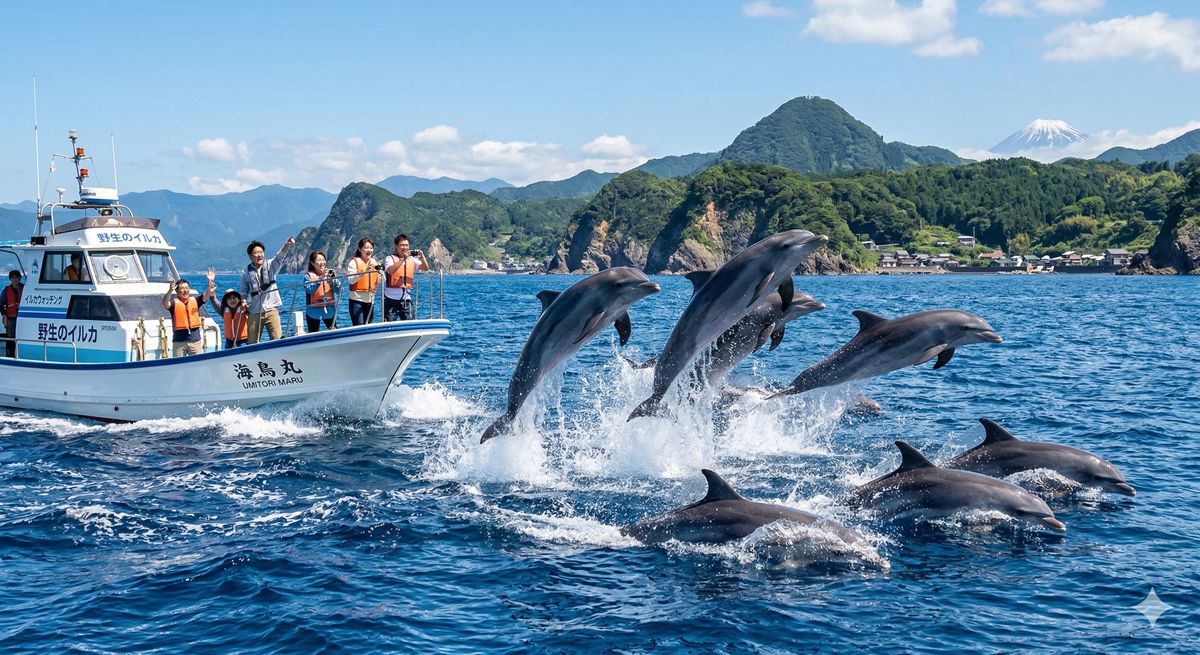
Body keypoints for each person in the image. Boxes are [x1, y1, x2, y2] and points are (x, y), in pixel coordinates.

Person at [240, 236, 294, 344]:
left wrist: (287, 245)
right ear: (250, 256)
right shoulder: (245, 272)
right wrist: (243, 301)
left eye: (261, 252)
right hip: (254, 311)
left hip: (271, 309)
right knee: (252, 343)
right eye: (256, 253)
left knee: (277, 340)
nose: (259, 255)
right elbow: (244, 291)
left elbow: (280, 256)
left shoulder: (271, 265)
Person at [162, 273, 216, 357]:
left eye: (187, 288)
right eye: (182, 288)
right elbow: (165, 304)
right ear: (176, 290)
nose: (185, 290)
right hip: (179, 342)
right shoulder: (173, 303)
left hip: (195, 341)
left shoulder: (195, 300)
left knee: (198, 364)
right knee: (179, 365)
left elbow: (206, 295)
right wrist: (169, 291)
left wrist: (210, 282)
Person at [382, 233, 429, 321]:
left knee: (411, 322)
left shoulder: (411, 259)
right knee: (389, 323)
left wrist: (422, 258)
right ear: (396, 246)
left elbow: (425, 268)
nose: (405, 247)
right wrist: (403, 259)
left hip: (406, 297)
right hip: (390, 298)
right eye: (402, 245)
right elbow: (390, 270)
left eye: (407, 245)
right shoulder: (389, 258)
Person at [304, 251, 342, 333]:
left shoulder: (330, 274)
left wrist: (335, 281)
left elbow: (339, 291)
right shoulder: (308, 277)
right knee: (313, 335)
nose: (322, 262)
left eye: (323, 260)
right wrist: (321, 278)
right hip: (313, 312)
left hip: (329, 311)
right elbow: (310, 290)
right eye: (319, 260)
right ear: (312, 263)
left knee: (334, 333)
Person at [345, 237, 380, 326]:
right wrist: (364, 272)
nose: (369, 250)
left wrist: (380, 272)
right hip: (356, 300)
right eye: (366, 247)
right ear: (360, 249)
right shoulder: (354, 262)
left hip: (370, 300)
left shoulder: (374, 262)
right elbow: (351, 280)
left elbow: (379, 280)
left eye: (371, 248)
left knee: (369, 326)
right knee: (359, 325)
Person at [2, 270, 22, 357]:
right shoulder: (6, 290)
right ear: (10, 279)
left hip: (22, 318)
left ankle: (20, 355)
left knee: (21, 337)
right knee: (10, 338)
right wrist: (4, 315)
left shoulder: (25, 289)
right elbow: (1, 304)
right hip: (10, 318)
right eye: (13, 277)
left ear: (20, 278)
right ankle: (9, 356)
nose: (15, 279)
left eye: (17, 277)